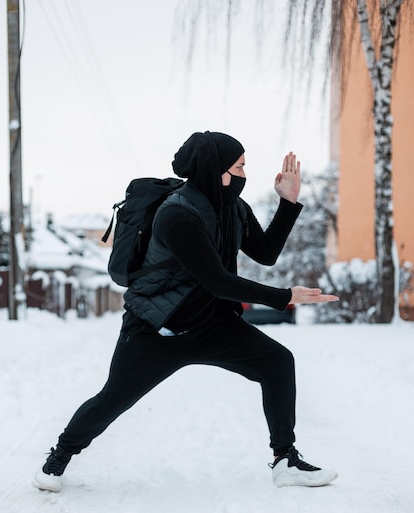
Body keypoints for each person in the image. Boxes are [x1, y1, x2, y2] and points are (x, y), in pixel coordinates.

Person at [34, 131, 339, 492]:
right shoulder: (176, 214)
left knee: (277, 362)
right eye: (239, 166)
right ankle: (59, 457)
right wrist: (286, 296)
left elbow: (266, 253)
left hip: (212, 324)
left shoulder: (235, 209)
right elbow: (217, 280)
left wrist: (288, 202)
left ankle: (285, 459)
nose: (244, 173)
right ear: (215, 170)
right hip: (157, 328)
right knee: (113, 398)